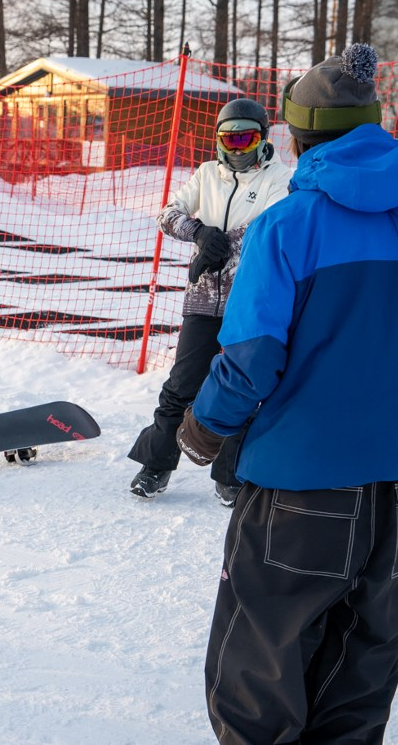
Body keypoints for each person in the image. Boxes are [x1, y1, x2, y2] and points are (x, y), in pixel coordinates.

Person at [175, 44, 398, 742]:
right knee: (362, 662)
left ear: (297, 137)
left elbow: (252, 358)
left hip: (301, 483)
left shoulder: (286, 225)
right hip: (397, 481)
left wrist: (204, 426)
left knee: (261, 661)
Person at [128, 97, 293, 504]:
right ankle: (156, 465)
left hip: (249, 300)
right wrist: (200, 233)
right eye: (228, 140)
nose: (237, 149)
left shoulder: (278, 177)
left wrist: (222, 245)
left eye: (245, 139)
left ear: (263, 139)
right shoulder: (206, 174)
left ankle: (231, 475)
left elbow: (269, 226)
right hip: (203, 297)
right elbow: (168, 214)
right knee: (181, 385)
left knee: (243, 386)